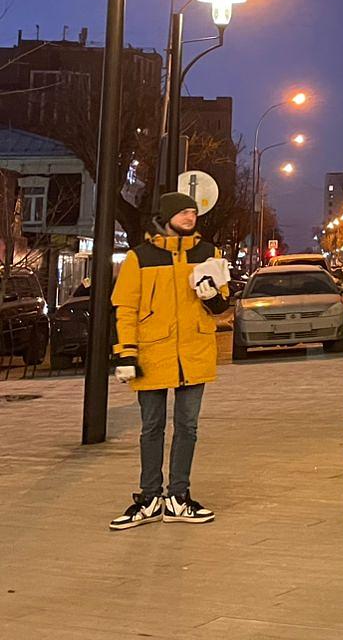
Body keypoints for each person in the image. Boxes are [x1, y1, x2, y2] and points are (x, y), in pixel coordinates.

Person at [108, 192, 232, 530]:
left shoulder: (209, 254)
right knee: (152, 428)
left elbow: (223, 304)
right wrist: (126, 353)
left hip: (194, 352)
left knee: (188, 427)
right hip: (152, 353)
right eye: (183, 212)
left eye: (193, 212)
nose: (190, 217)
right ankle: (149, 497)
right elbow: (126, 308)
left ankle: (179, 496)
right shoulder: (140, 257)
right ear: (164, 216)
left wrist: (211, 297)